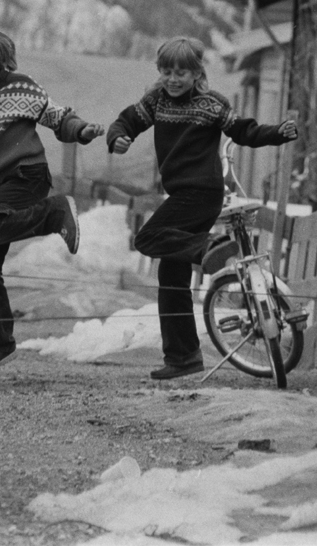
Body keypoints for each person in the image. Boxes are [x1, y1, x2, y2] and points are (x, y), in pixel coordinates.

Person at [106, 36, 297, 381]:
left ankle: (210, 247)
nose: (173, 79)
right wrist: (117, 137)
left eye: (182, 72)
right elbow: (127, 122)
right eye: (166, 71)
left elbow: (244, 130)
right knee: (171, 275)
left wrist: (277, 133)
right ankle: (183, 357)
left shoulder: (211, 104)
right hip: (180, 195)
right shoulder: (156, 101)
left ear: (197, 74)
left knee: (147, 238)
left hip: (202, 193)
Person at [0, 26, 104, 379]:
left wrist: (83, 130)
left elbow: (57, 117)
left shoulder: (22, 86)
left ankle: (54, 212)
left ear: (3, 61)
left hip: (28, 175)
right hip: (0, 185)